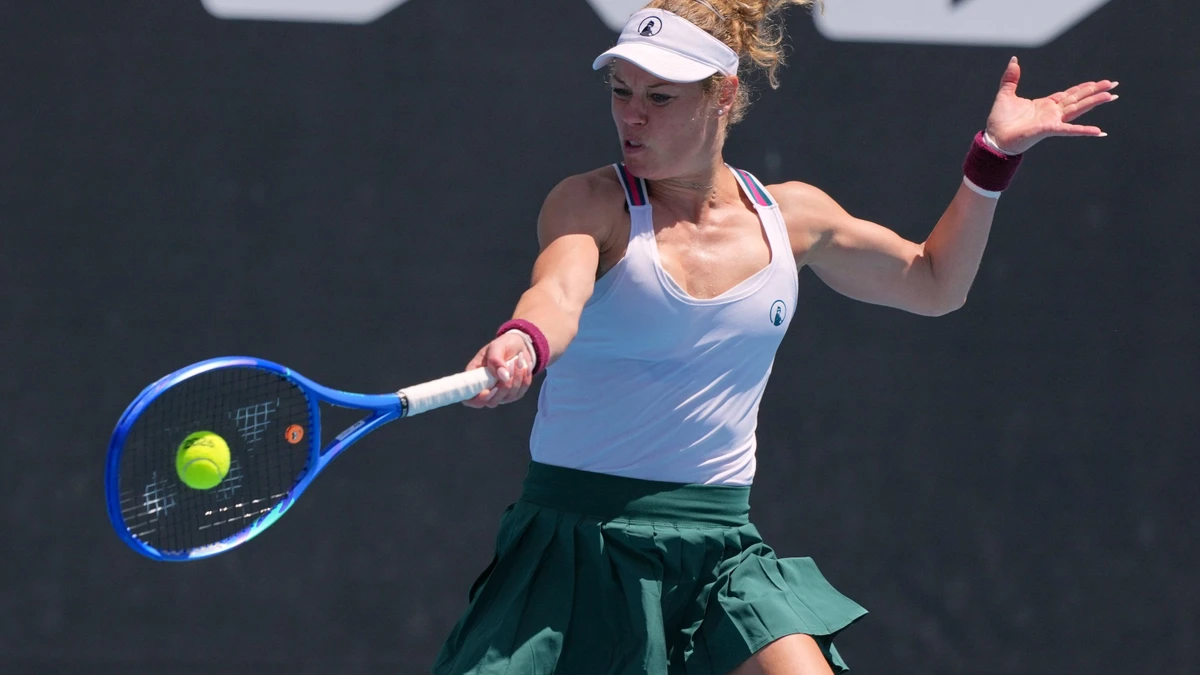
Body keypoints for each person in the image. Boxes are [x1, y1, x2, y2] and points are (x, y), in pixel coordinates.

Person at [434, 1, 1118, 673]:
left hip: (718, 556)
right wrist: (524, 340)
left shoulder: (790, 217)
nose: (630, 114)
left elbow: (936, 281)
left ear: (723, 94)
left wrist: (993, 158)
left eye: (660, 96)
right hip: (575, 549)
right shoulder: (589, 202)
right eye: (620, 90)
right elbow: (557, 292)